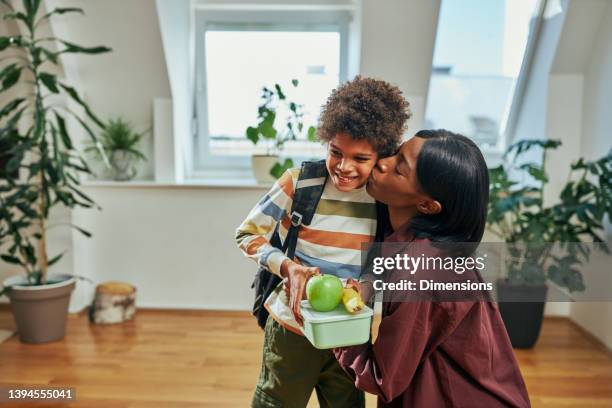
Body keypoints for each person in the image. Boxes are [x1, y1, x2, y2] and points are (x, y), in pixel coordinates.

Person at [235, 76, 410, 407]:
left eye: (361, 158)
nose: (344, 167)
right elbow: (246, 234)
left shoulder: (383, 201)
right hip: (292, 328)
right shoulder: (300, 182)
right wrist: (287, 266)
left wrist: (369, 286)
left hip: (350, 334)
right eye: (336, 152)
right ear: (327, 140)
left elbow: (390, 259)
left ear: (381, 156)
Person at [334, 130, 531, 407]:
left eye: (399, 168)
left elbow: (381, 378)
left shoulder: (420, 270)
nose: (382, 162)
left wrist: (336, 325)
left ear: (426, 204)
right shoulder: (422, 246)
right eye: (396, 152)